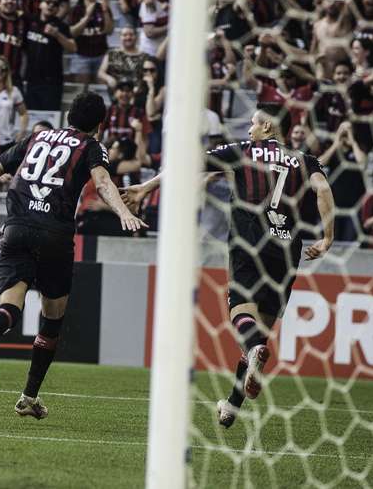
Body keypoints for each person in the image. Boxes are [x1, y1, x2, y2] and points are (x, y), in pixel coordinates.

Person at [0, 92, 146, 417]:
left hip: (16, 229)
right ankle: (29, 395)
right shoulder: (92, 146)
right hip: (55, 234)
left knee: (9, 304)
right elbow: (103, 181)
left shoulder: (35, 137)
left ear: (68, 115)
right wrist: (122, 212)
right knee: (52, 321)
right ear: (100, 124)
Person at [122, 109, 336, 428]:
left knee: (241, 318)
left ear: (267, 125)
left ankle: (253, 356)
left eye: (253, 122)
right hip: (286, 251)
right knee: (257, 336)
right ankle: (232, 406)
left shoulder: (243, 151)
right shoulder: (306, 159)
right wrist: (328, 238)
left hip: (249, 245)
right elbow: (323, 190)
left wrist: (145, 188)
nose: (249, 128)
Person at [24, 0, 76, 111]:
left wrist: (57, 35)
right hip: (32, 79)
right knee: (32, 115)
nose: (51, 5)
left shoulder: (61, 26)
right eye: (48, 2)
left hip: (52, 82)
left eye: (55, 4)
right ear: (40, 4)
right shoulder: (30, 21)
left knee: (49, 118)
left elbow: (73, 47)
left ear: (58, 9)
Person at [69, 0, 114, 84]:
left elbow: (109, 31)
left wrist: (106, 12)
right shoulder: (77, 9)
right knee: (81, 94)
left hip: (101, 55)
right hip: (81, 56)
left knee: (102, 93)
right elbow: (72, 33)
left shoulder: (103, 8)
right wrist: (87, 17)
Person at [0, 55, 28, 152]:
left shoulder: (13, 91)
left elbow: (23, 113)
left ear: (7, 72)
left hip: (6, 141)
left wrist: (22, 132)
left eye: (3, 69)